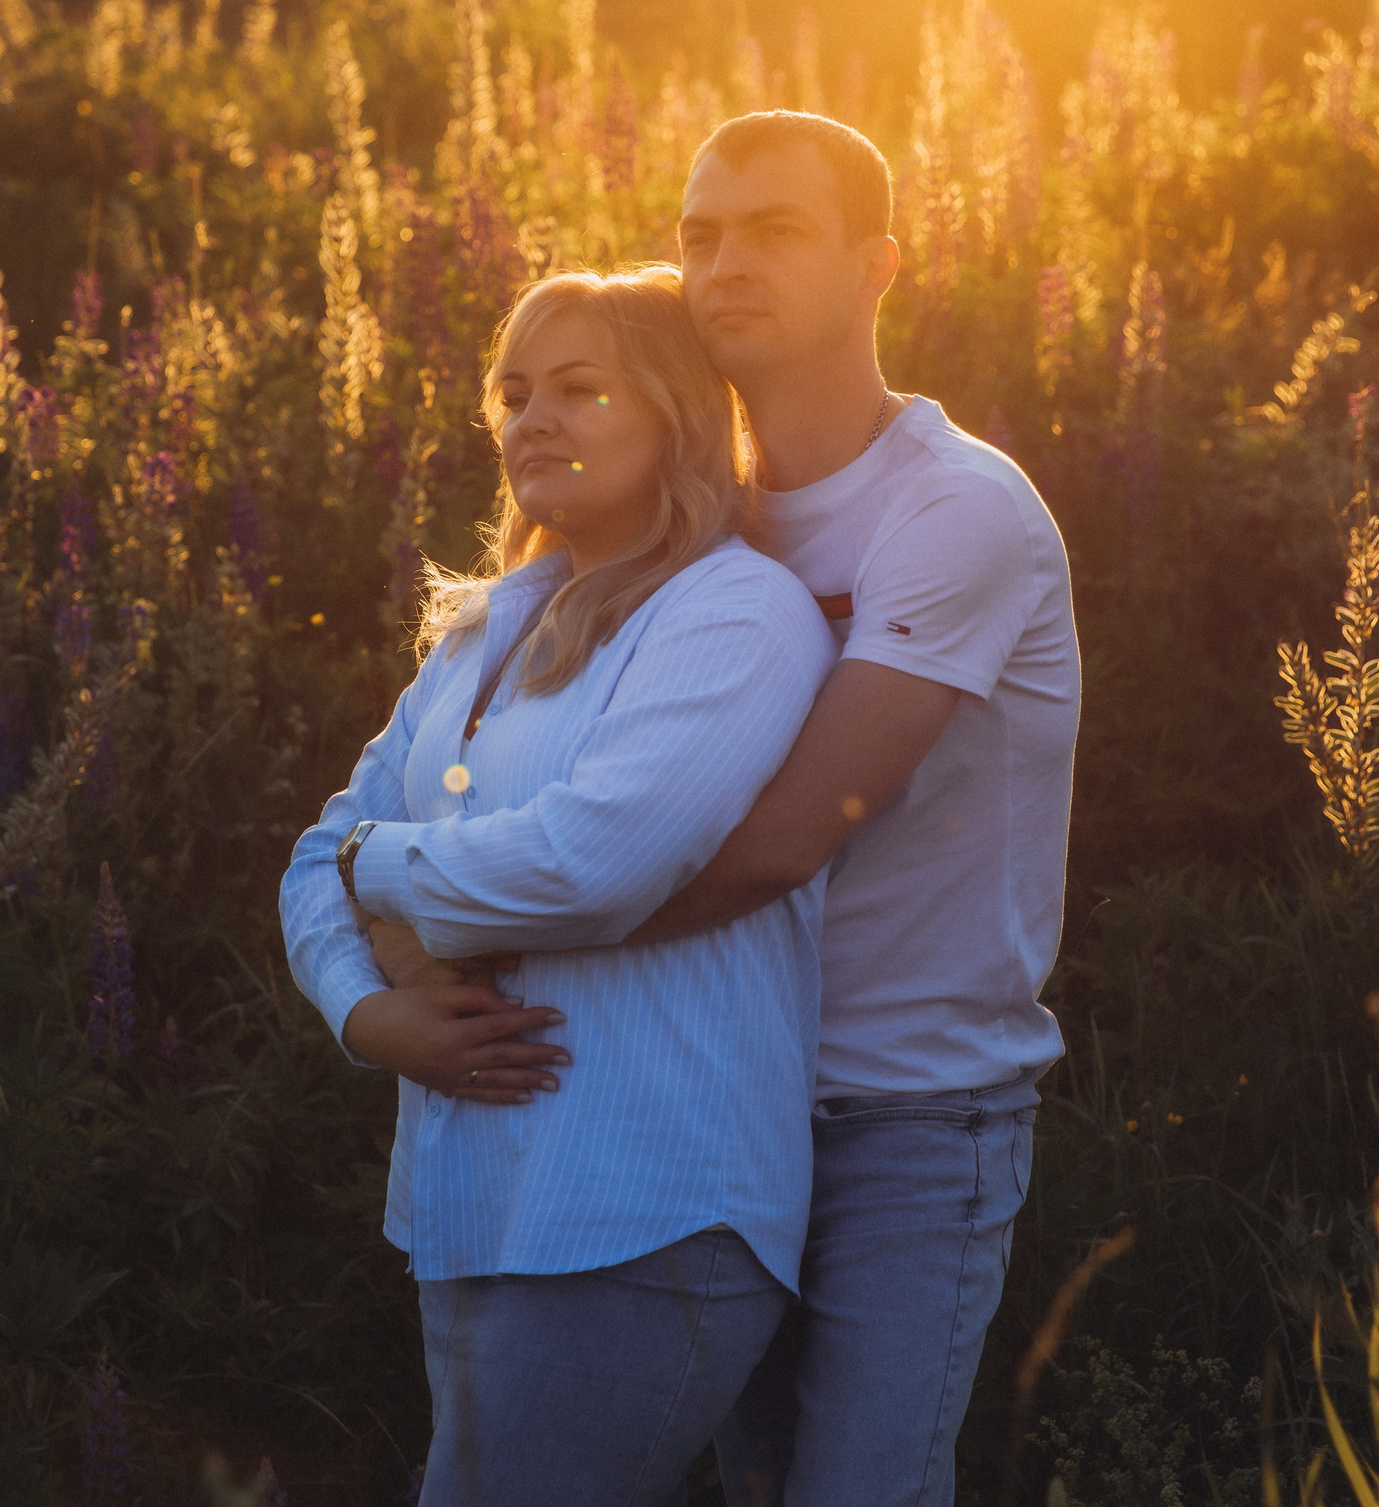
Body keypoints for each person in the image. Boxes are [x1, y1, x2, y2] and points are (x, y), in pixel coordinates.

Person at [373, 112, 1080, 1505]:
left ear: (879, 263)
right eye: (699, 232)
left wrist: (462, 934)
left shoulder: (955, 510)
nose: (723, 262)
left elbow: (783, 838)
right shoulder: (713, 523)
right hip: (713, 1090)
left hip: (910, 1107)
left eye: (774, 229)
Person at [278, 264, 836, 1504]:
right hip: (471, 1204)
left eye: (581, 390)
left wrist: (391, 870)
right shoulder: (484, 631)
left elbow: (593, 864)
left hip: (649, 1201)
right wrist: (366, 1013)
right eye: (515, 393)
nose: (535, 419)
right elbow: (316, 852)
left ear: (679, 418)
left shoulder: (738, 615)